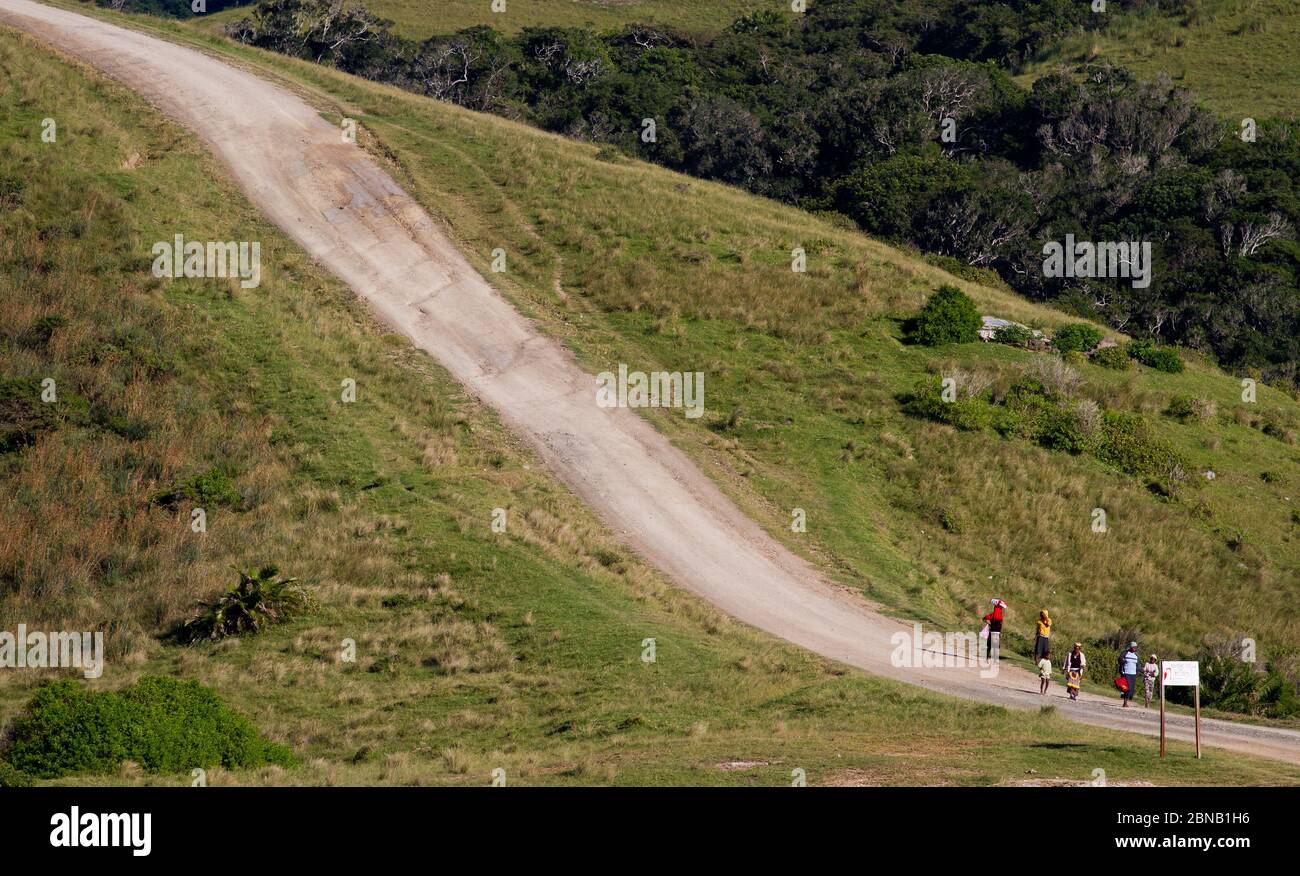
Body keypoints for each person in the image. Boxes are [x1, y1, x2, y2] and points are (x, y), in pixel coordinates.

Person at [1118, 642, 1140, 708]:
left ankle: (1126, 702)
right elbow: (1119, 659)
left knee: (1131, 689)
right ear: (1130, 647)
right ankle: (1125, 703)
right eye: (1134, 647)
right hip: (1126, 673)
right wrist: (1122, 660)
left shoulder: (1136, 655)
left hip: (1133, 674)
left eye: (1136, 647)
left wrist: (1142, 670)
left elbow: (1138, 665)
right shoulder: (1125, 653)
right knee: (1126, 688)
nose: (1135, 648)